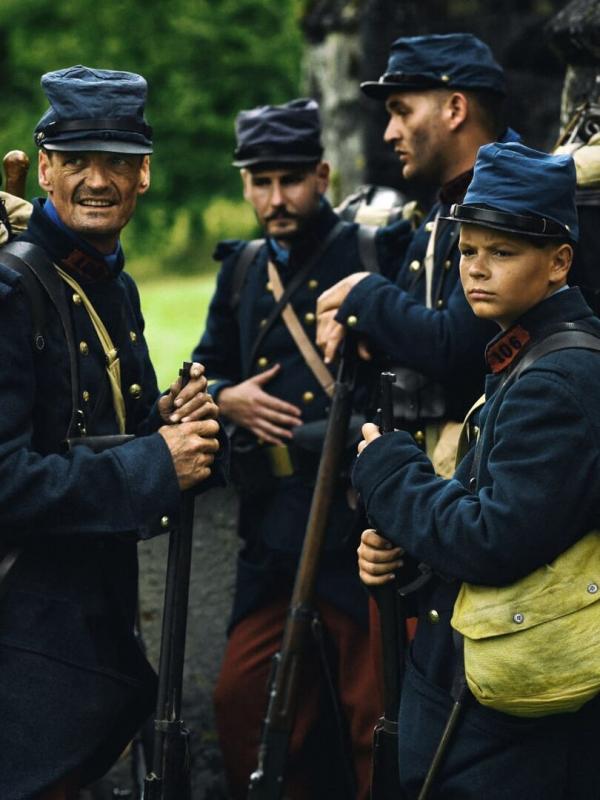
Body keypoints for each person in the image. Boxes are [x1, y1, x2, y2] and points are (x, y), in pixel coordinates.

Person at [0, 66, 224, 800]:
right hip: (23, 638)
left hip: (80, 628)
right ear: (46, 167)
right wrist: (153, 464)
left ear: (145, 173)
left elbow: (86, 426)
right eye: (78, 161)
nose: (99, 180)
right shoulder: (11, 291)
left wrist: (163, 423)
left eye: (118, 161)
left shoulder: (110, 283)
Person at [354, 141, 600, 799]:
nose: (476, 270)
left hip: (507, 729)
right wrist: (409, 552)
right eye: (468, 251)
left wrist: (387, 471)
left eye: (503, 251)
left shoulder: (557, 377)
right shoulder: (526, 356)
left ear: (559, 263)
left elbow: (494, 538)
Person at [192, 98, 383, 800]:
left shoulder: (370, 251)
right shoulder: (242, 269)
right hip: (272, 532)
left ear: (322, 175)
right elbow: (203, 363)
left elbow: (403, 387)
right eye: (260, 181)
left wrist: (312, 435)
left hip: (355, 527)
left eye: (291, 180)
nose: (275, 198)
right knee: (243, 704)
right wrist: (223, 395)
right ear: (245, 184)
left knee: (374, 717)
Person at [316, 33, 519, 477]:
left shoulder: (509, 205)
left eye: (401, 111)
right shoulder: (450, 203)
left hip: (477, 482)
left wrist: (365, 296)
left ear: (455, 109)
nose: (389, 133)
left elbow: (463, 351)